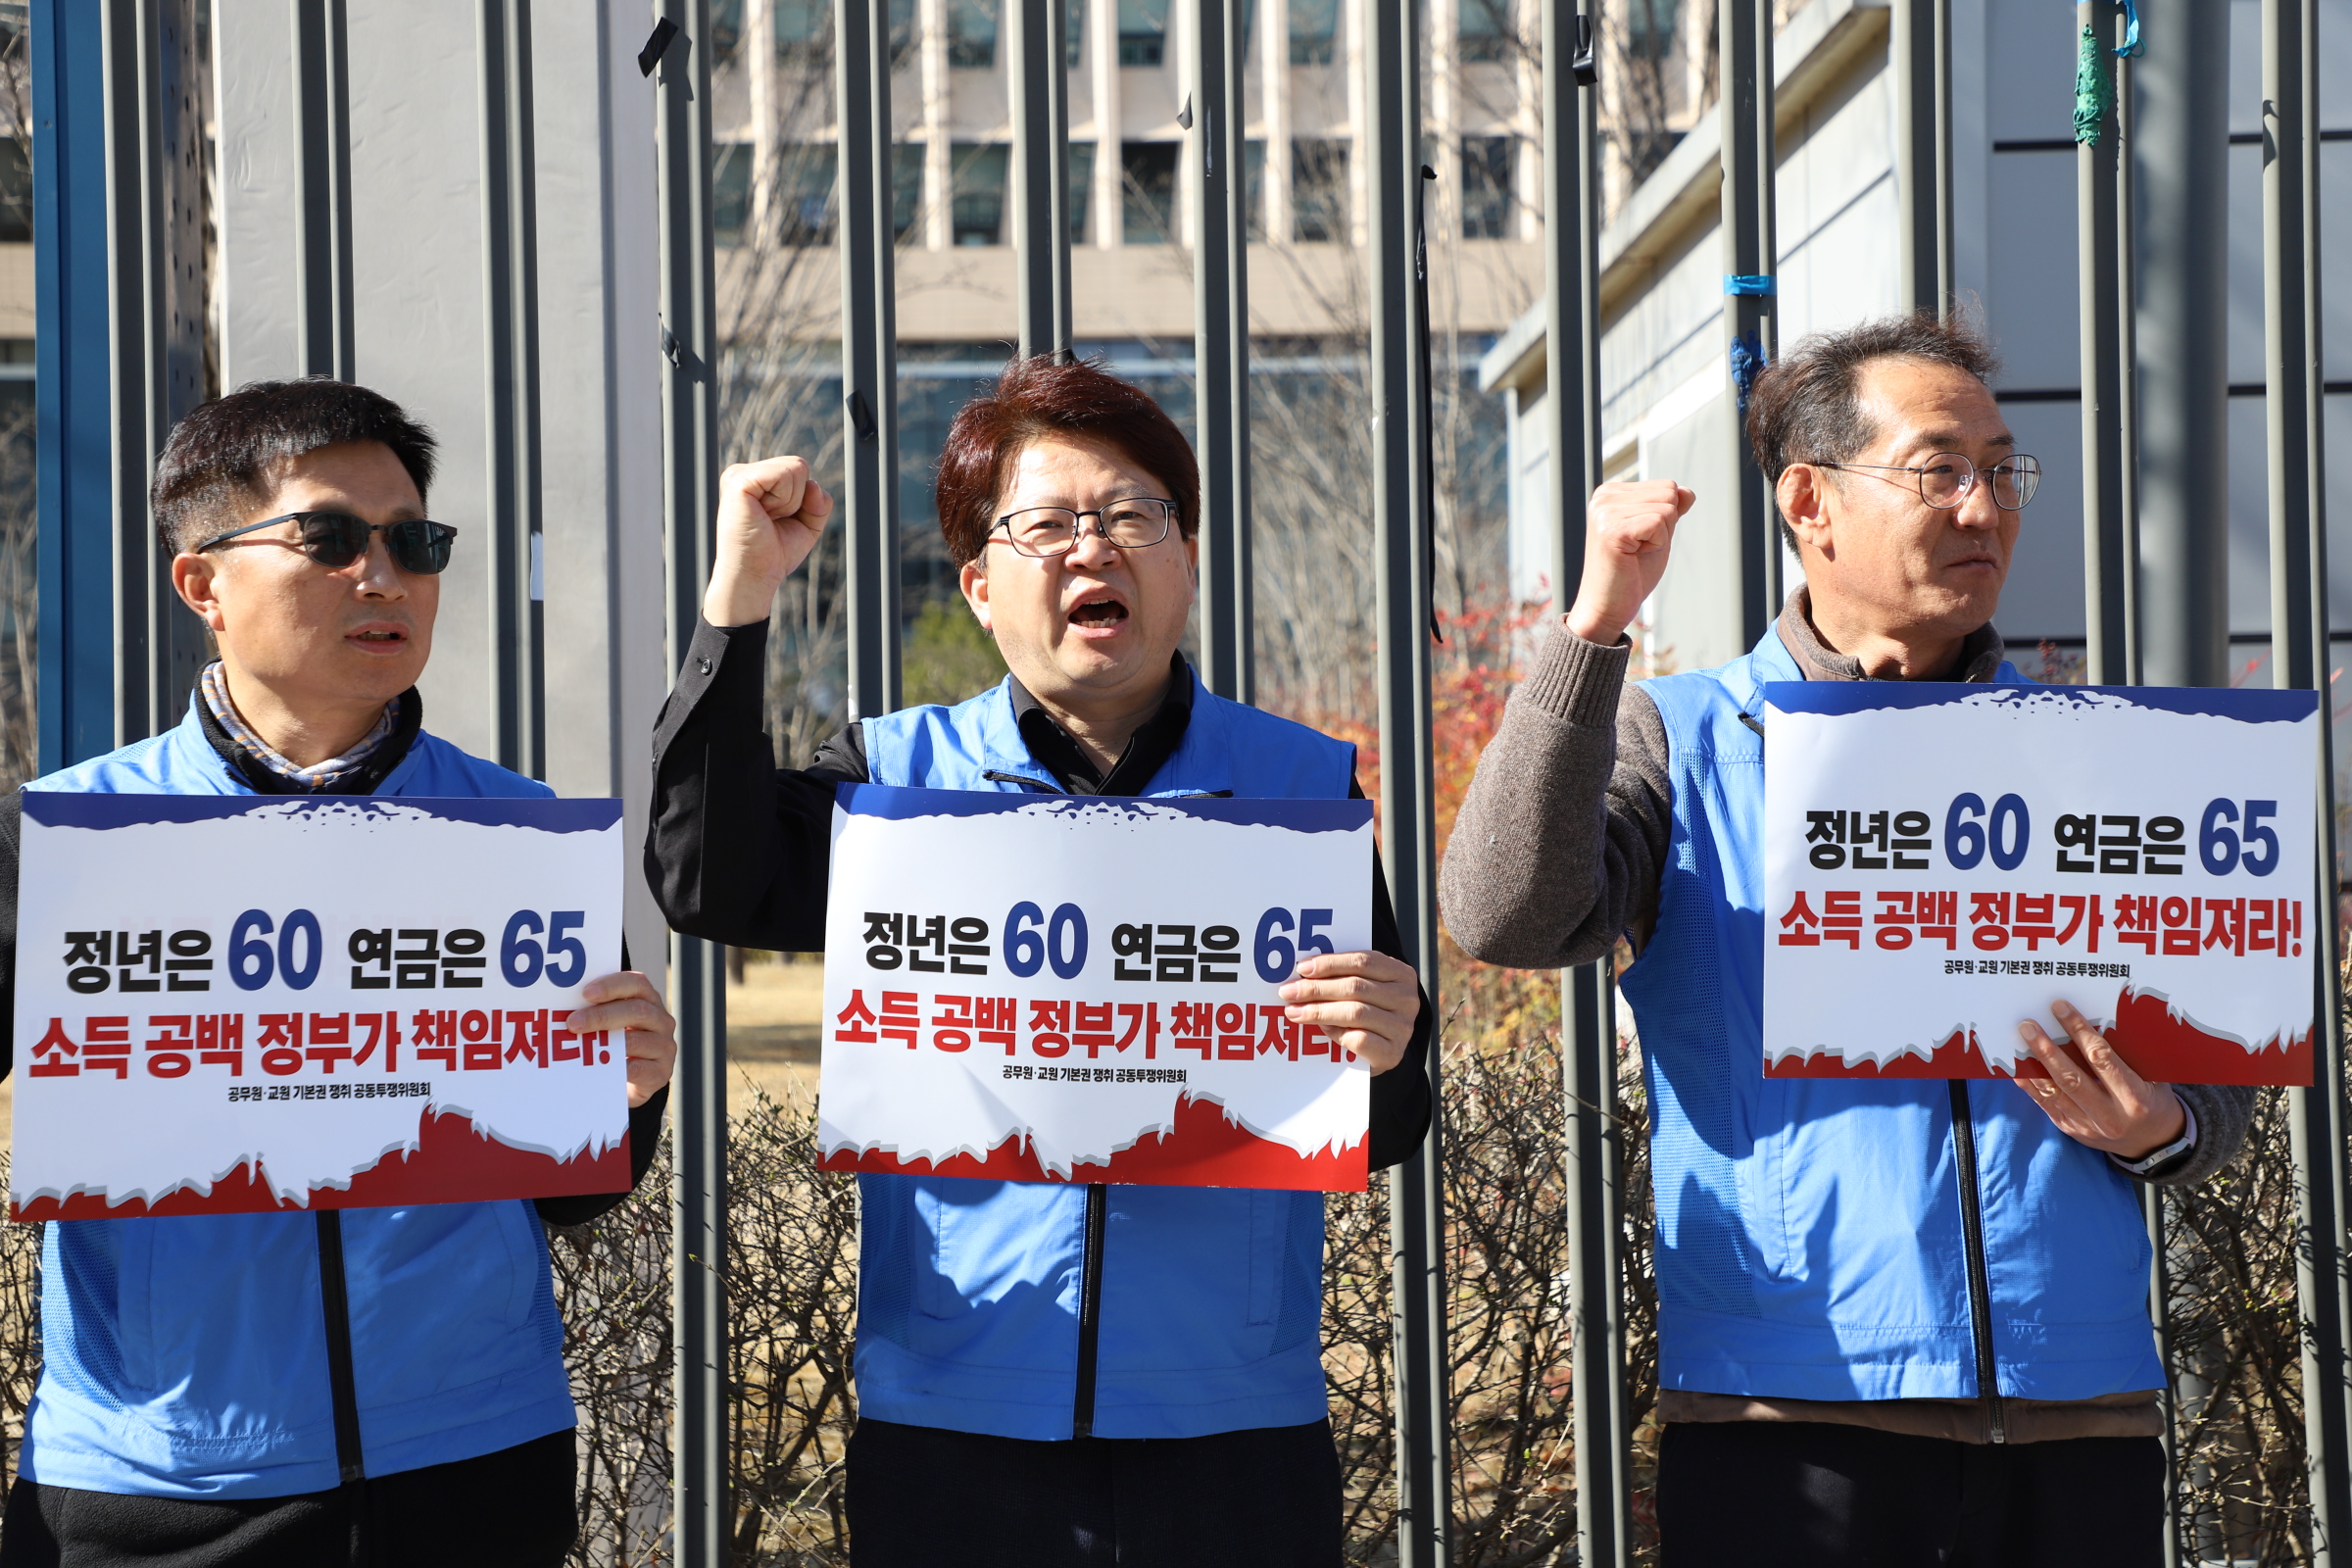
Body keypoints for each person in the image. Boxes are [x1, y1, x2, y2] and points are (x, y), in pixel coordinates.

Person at [1440, 315, 2252, 1567]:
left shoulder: (2095, 755)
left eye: (2004, 470)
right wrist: (1590, 636)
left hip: (2081, 1408)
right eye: (1940, 469)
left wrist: (2163, 1125)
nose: (1984, 507)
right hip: (1791, 1414)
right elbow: (1506, 913)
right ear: (1809, 501)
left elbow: (2213, 1078)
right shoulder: (1687, 738)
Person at [647, 354, 1432, 1566]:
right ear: (978, 585)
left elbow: (1382, 1126)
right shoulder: (895, 784)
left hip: (1234, 1425)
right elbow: (710, 877)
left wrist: (1390, 1043)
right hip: (954, 1420)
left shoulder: (1303, 789)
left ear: (1186, 557)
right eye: (1049, 523)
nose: (1094, 548)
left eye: (1133, 517)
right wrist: (739, 600)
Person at [0, 379, 678, 1568]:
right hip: (159, 1485)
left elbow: (574, 1194)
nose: (385, 577)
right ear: (202, 583)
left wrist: (632, 1093)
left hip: (475, 1465)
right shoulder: (65, 844)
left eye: (415, 542)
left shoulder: (520, 839)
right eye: (328, 538)